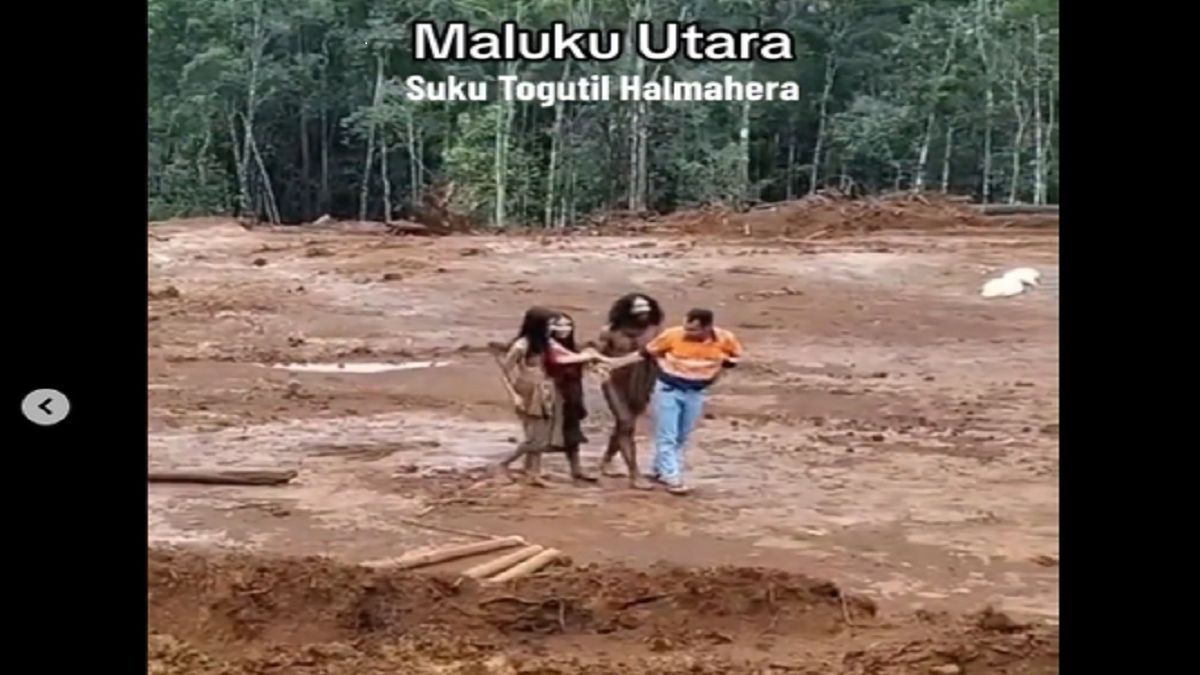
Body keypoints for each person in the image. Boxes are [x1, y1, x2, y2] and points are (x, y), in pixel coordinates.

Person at [606, 308, 743, 495]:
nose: (688, 332)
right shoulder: (672, 335)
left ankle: (660, 469)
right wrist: (613, 363)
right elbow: (644, 353)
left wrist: (714, 376)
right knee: (667, 434)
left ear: (707, 327)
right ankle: (673, 477)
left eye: (694, 330)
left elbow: (733, 359)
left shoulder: (725, 339)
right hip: (668, 389)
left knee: (682, 434)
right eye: (687, 327)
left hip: (695, 392)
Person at [496, 307, 602, 486]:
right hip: (529, 390)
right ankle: (504, 464)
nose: (555, 328)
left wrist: (590, 358)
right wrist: (514, 396)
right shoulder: (522, 345)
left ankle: (533, 473)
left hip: (547, 389)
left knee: (542, 434)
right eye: (551, 324)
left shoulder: (548, 343)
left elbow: (568, 357)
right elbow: (505, 372)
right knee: (535, 436)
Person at [593, 293, 663, 489]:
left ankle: (607, 458)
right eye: (638, 310)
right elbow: (597, 355)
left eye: (647, 310)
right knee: (625, 421)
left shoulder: (654, 331)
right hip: (614, 381)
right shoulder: (609, 332)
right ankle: (635, 473)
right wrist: (599, 367)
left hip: (643, 381)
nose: (644, 314)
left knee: (625, 424)